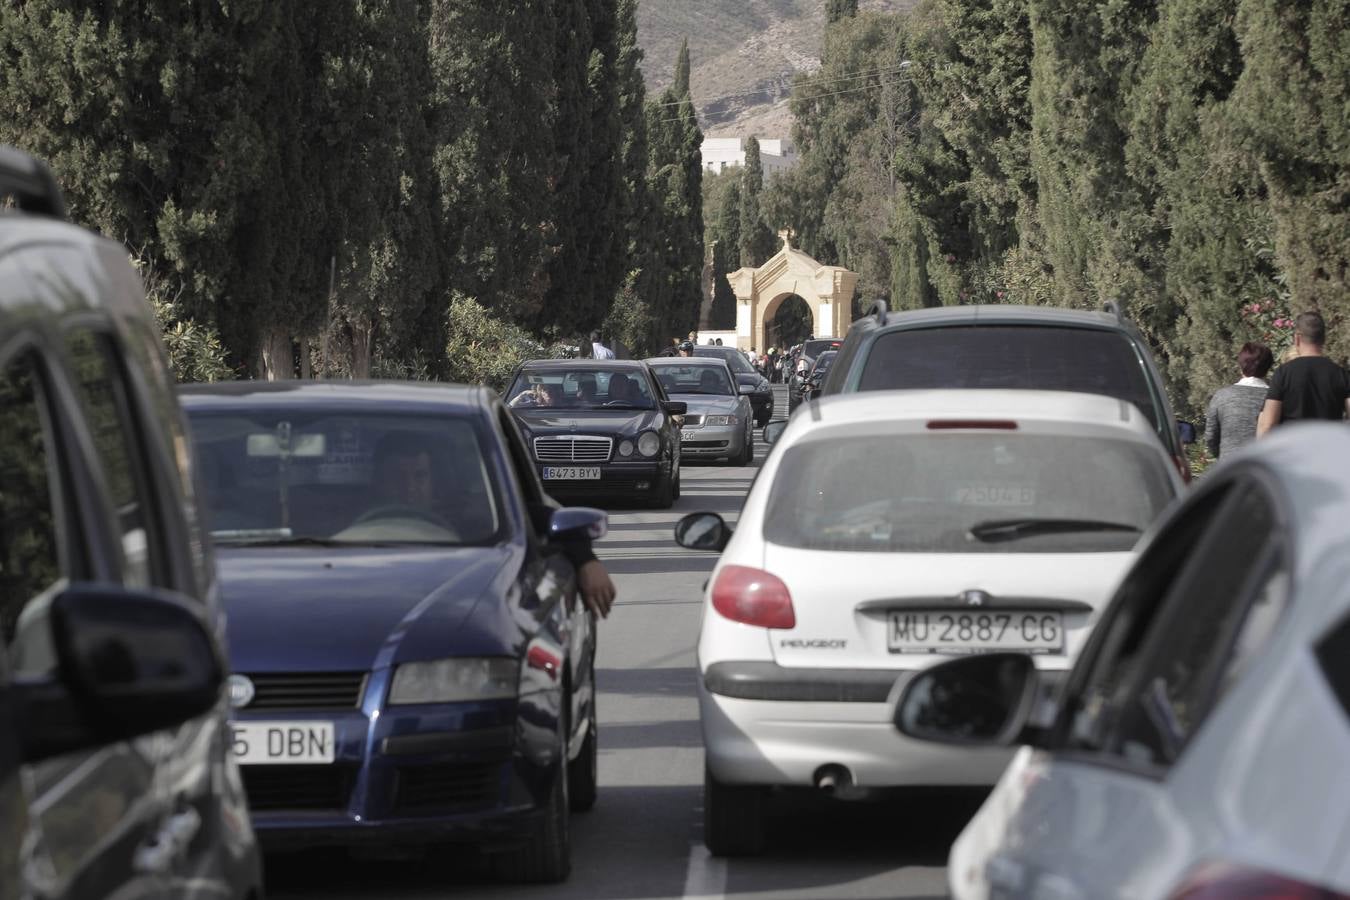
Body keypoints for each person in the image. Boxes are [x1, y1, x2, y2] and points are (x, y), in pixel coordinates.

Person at [1256, 311, 1350, 437]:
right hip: (1328, 449)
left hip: (1292, 450)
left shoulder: (1284, 373)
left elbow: (1268, 424)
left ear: (1297, 338)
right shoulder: (1340, 373)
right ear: (1323, 339)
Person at [1204, 342, 1273, 458]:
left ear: (1240, 364)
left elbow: (1211, 437)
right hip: (1265, 470)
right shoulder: (1275, 399)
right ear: (1268, 366)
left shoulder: (1222, 396)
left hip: (1231, 467)